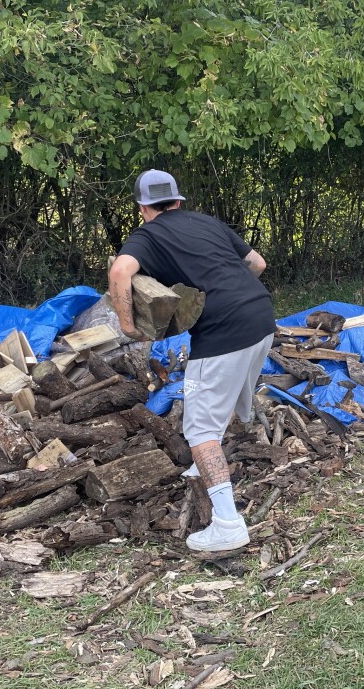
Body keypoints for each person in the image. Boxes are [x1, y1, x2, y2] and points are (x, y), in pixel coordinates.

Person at [108, 169, 275, 551]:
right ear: (178, 200)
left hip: (222, 334)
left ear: (143, 208)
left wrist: (127, 324)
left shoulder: (147, 235)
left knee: (197, 427)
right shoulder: (206, 222)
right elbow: (258, 264)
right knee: (221, 399)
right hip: (262, 318)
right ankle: (206, 465)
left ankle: (228, 523)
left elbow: (120, 271)